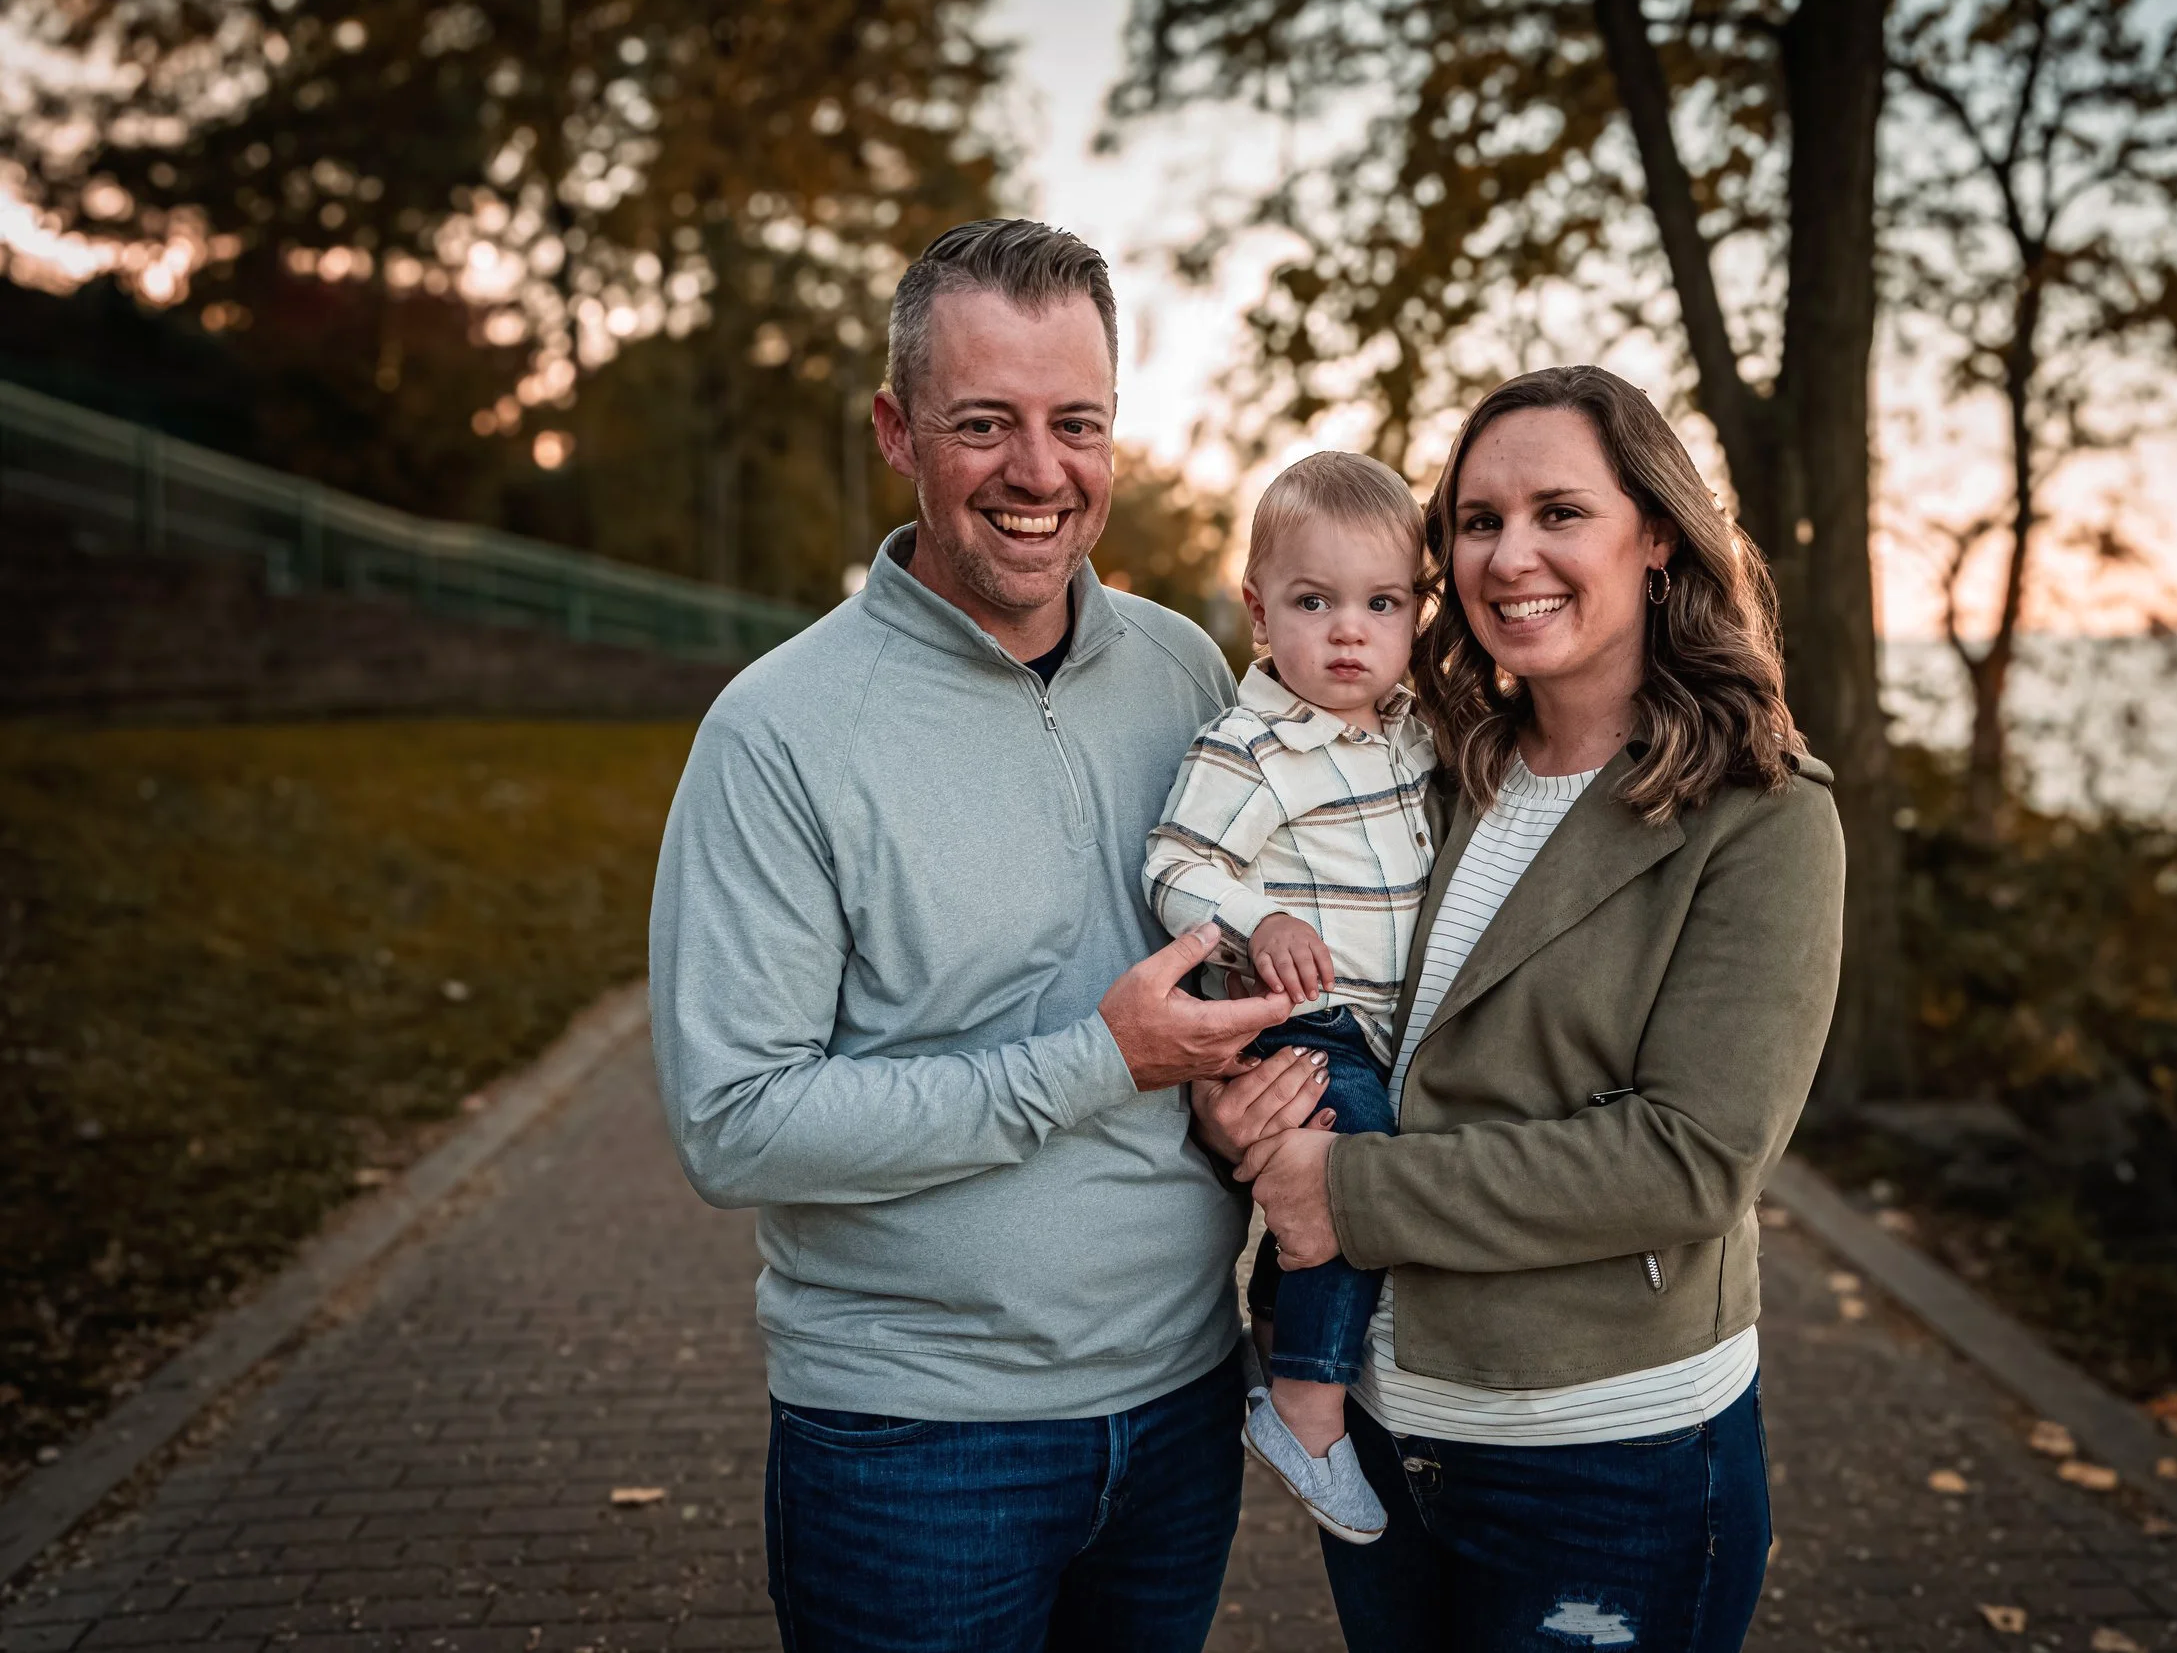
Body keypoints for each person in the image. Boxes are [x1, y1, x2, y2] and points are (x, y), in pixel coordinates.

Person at [647, 218, 1329, 1653]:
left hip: (1180, 1406)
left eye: (1075, 422)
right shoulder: (776, 733)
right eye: (985, 424)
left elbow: (1211, 965)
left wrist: (1235, 1096)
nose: (1039, 471)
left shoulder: (1185, 667)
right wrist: (1093, 1060)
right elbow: (734, 1123)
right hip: (914, 1445)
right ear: (898, 430)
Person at [1197, 366, 1846, 1652]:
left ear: (1654, 534)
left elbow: (1689, 1158)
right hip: (1388, 1436)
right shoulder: (1436, 772)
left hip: (1606, 1459)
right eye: (1478, 521)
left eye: (1560, 511)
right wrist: (1244, 1116)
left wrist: (1350, 1189)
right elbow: (1353, 1034)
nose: (1511, 556)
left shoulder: (1763, 817)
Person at [1142, 451, 1436, 1544]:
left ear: (1416, 612)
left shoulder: (1408, 731)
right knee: (1349, 1166)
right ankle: (1307, 1409)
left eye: (1381, 603)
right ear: (1261, 611)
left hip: (1377, 1020)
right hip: (1302, 1017)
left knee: (1352, 1179)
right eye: (1314, 603)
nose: (1348, 632)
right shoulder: (1252, 744)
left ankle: (1278, 1325)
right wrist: (1255, 922)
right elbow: (1171, 867)